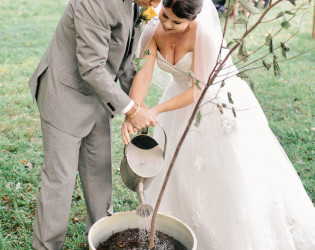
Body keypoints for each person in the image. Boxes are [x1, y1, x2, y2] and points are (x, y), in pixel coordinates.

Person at [121, 0, 315, 249]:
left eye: (177, 22)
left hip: (214, 104)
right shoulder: (154, 28)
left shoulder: (205, 35)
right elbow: (144, 72)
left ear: (194, 17)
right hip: (176, 100)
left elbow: (200, 88)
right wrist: (134, 112)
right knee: (178, 173)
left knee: (226, 175)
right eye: (166, 16)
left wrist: (156, 109)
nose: (167, 25)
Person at [28, 0, 161, 249]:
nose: (156, 3)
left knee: (100, 174)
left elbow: (125, 62)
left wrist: (136, 107)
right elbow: (91, 68)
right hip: (65, 96)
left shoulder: (137, 4)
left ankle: (101, 239)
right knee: (60, 183)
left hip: (100, 99)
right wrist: (131, 109)